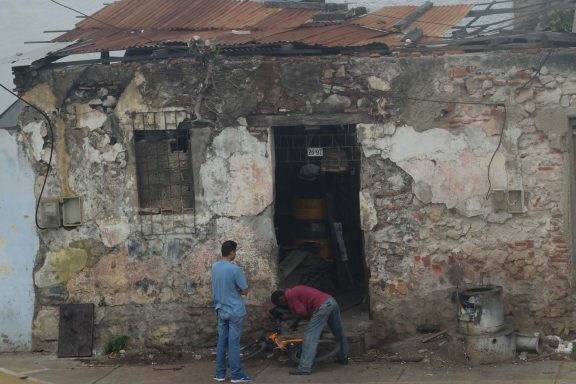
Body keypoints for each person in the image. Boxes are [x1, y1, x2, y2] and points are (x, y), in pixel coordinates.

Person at [270, 285, 349, 375]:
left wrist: (291, 318)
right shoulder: (294, 291)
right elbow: (304, 313)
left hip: (322, 306)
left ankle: (304, 368)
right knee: (338, 332)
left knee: (310, 336)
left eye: (280, 304)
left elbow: (302, 313)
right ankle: (343, 358)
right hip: (331, 301)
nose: (284, 305)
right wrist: (296, 323)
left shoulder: (290, 297)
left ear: (281, 299)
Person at [211, 240, 252, 383]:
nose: (235, 254)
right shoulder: (234, 269)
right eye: (235, 252)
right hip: (235, 310)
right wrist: (238, 290)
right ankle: (236, 374)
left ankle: (219, 374)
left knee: (221, 341)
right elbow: (245, 290)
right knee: (233, 343)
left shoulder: (214, 266)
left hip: (221, 309)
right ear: (232, 252)